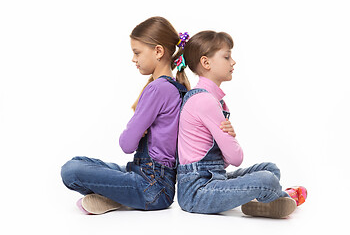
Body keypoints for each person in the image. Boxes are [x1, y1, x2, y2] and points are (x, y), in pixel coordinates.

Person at [61, 16, 190, 214]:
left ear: (158, 51)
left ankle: (119, 195)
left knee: (71, 170)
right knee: (81, 161)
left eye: (137, 52)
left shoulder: (158, 89)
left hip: (152, 187)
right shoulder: (177, 88)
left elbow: (126, 144)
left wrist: (138, 128)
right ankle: (117, 197)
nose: (133, 59)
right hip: (152, 179)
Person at [176, 30, 306, 218]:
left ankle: (264, 201)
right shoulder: (205, 101)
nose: (233, 62)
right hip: (198, 192)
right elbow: (236, 158)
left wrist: (228, 140)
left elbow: (226, 161)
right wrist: (231, 137)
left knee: (270, 168)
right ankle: (284, 198)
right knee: (266, 179)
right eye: (227, 57)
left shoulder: (213, 100)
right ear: (206, 63)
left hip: (214, 177)